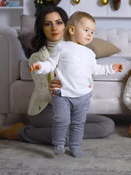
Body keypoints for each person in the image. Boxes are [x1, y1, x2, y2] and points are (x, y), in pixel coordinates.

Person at [0, 6, 116, 152]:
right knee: (62, 136)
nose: (54, 28)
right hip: (46, 109)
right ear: (42, 28)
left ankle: (66, 132)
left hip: (73, 106)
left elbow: (88, 72)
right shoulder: (38, 58)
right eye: (48, 24)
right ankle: (22, 133)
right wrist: (52, 90)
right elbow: (42, 93)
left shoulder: (82, 51)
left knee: (106, 125)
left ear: (68, 26)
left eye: (58, 22)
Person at [29, 11, 122, 157]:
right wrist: (40, 66)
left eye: (92, 32)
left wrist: (111, 68)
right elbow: (51, 63)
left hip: (82, 96)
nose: (90, 34)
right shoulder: (61, 47)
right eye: (86, 30)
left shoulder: (90, 53)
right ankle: (59, 144)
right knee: (61, 120)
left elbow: (96, 69)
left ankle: (75, 147)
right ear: (72, 29)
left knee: (79, 123)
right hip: (62, 95)